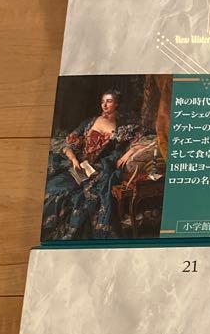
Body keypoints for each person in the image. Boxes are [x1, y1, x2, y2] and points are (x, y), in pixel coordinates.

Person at [41, 89, 140, 241]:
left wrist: (129, 152)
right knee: (53, 187)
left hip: (98, 168)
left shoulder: (122, 126)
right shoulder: (90, 121)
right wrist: (74, 160)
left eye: (109, 101)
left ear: (117, 104)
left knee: (81, 200)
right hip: (78, 163)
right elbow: (68, 145)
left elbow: (144, 137)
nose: (104, 105)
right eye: (102, 101)